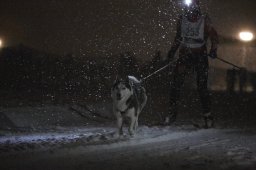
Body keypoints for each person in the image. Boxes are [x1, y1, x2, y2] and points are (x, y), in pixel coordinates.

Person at [166, 0, 218, 128]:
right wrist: (171, 52)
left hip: (200, 56)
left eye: (193, 8)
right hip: (185, 56)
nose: (190, 12)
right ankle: (171, 114)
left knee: (201, 87)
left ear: (197, 8)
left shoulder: (204, 19)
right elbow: (178, 37)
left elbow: (214, 36)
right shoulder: (182, 19)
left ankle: (208, 116)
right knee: (176, 84)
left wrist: (213, 50)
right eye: (188, 8)